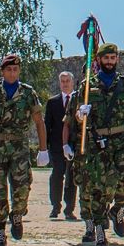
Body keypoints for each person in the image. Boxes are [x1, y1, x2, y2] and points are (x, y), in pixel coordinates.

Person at [62, 42, 124, 246]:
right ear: (99, 60)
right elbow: (75, 117)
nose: (109, 62)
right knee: (97, 189)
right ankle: (100, 233)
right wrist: (81, 114)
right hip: (97, 143)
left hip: (121, 140)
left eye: (113, 58)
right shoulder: (87, 86)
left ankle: (117, 210)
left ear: (117, 60)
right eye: (106, 58)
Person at [0, 53, 48, 246]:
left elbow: (38, 121)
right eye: (8, 69)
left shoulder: (27, 92)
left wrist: (43, 149)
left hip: (19, 149)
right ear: (2, 71)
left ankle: (17, 214)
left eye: (15, 69)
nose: (12, 72)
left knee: (22, 189)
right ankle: (0, 235)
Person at [44, 71, 76, 220]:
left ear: (72, 82)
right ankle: (55, 206)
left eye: (67, 80)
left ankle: (69, 209)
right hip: (56, 146)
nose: (65, 83)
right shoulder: (52, 102)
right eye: (62, 81)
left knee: (72, 177)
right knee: (57, 175)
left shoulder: (79, 101)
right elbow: (47, 125)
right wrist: (44, 147)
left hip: (74, 145)